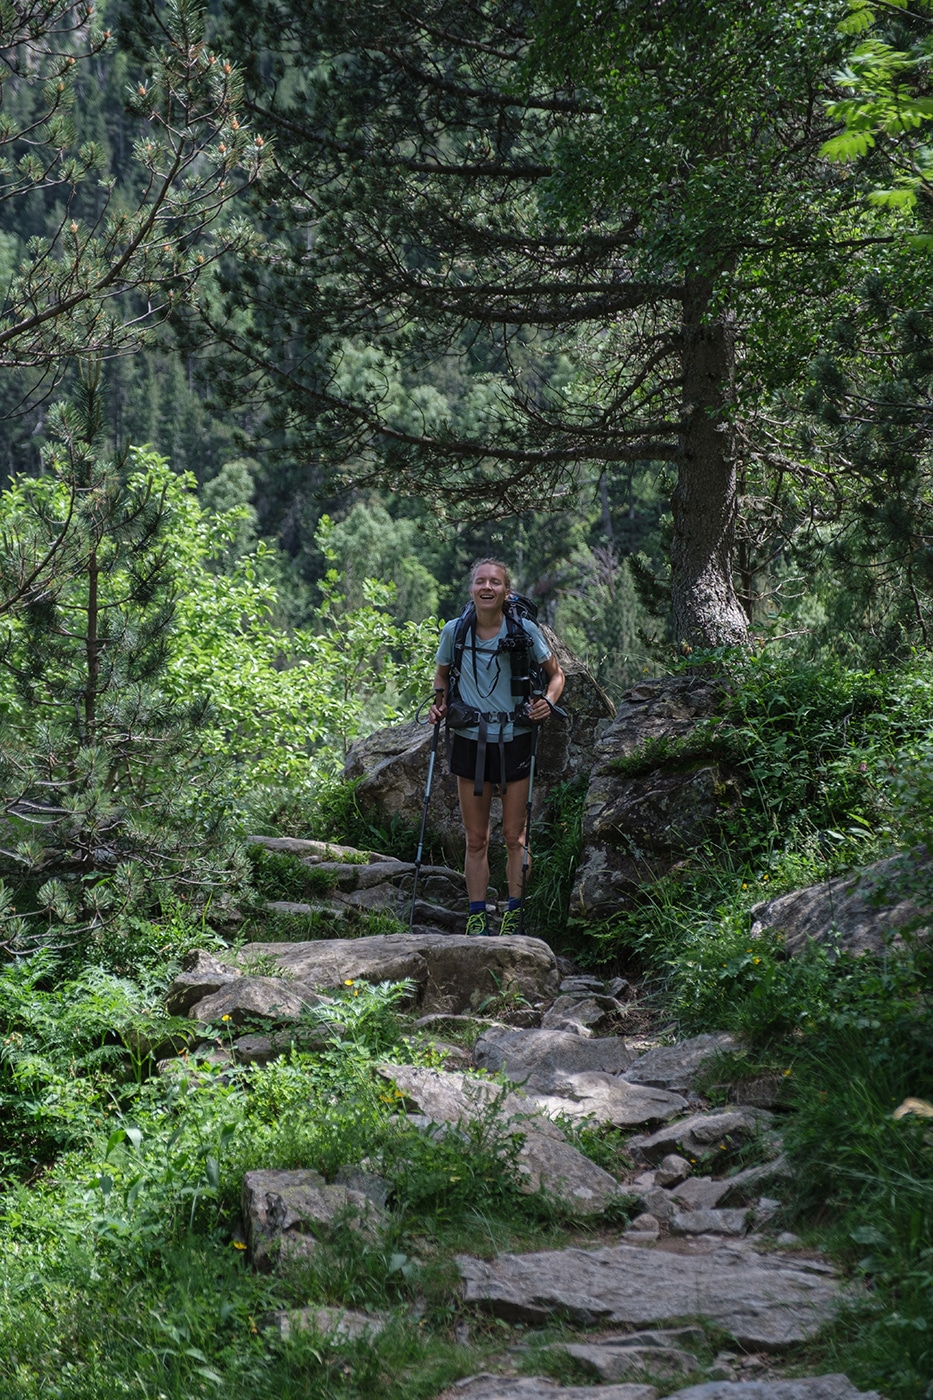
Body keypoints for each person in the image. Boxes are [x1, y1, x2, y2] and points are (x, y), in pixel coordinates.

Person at [429, 558, 565, 936]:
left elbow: (556, 675)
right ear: (471, 589)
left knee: (514, 836)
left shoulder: (524, 630)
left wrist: (547, 703)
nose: (487, 588)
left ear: (507, 591)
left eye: (495, 582)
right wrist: (439, 703)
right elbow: (442, 674)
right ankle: (477, 916)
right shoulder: (455, 632)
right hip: (470, 741)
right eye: (480, 582)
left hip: (516, 740)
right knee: (475, 839)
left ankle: (514, 912)